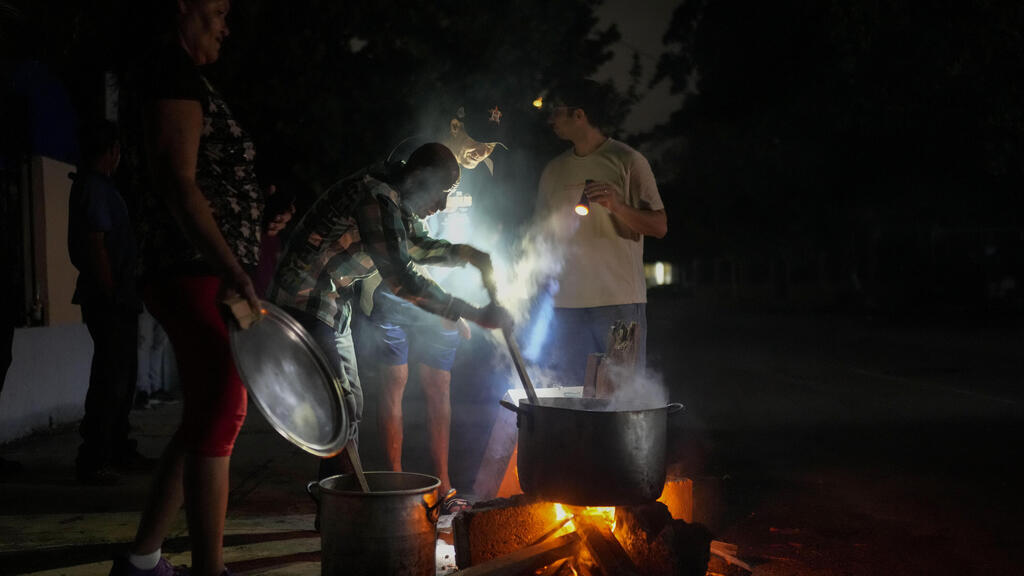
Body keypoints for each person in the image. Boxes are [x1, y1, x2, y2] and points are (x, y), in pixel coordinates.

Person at [112, 1, 264, 575]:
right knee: (224, 405)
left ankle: (143, 560)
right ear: (181, 5)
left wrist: (255, 215)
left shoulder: (174, 72)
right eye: (220, 10)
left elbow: (201, 177)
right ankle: (209, 569)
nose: (227, 23)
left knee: (205, 412)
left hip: (196, 265)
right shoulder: (169, 71)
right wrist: (231, 263)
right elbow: (178, 181)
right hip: (192, 267)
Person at [268, 142, 512, 484]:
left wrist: (468, 254)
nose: (442, 205)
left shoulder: (393, 198)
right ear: (419, 178)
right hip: (306, 300)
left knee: (350, 407)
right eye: (440, 193)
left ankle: (339, 500)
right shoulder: (375, 196)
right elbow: (403, 279)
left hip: (331, 305)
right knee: (341, 407)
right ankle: (342, 501)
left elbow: (415, 245)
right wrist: (471, 313)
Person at [362, 101, 508, 512]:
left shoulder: (484, 178)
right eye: (479, 140)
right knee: (394, 381)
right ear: (456, 126)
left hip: (441, 291)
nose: (484, 151)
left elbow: (478, 230)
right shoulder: (415, 156)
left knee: (438, 385)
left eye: (492, 146)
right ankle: (394, 482)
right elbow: (400, 241)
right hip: (395, 287)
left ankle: (442, 486)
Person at [534, 79, 667, 385]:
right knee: (571, 398)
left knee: (620, 399)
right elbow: (540, 236)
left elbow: (659, 226)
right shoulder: (553, 171)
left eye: (556, 112)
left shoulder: (628, 161)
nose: (550, 119)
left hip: (619, 304)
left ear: (578, 115)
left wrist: (618, 206)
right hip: (566, 307)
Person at [67, 119, 148, 485]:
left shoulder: (97, 187)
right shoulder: (96, 189)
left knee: (120, 375)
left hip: (116, 294)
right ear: (113, 150)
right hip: (110, 296)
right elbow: (97, 244)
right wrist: (113, 291)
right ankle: (96, 455)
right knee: (111, 378)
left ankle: (114, 448)